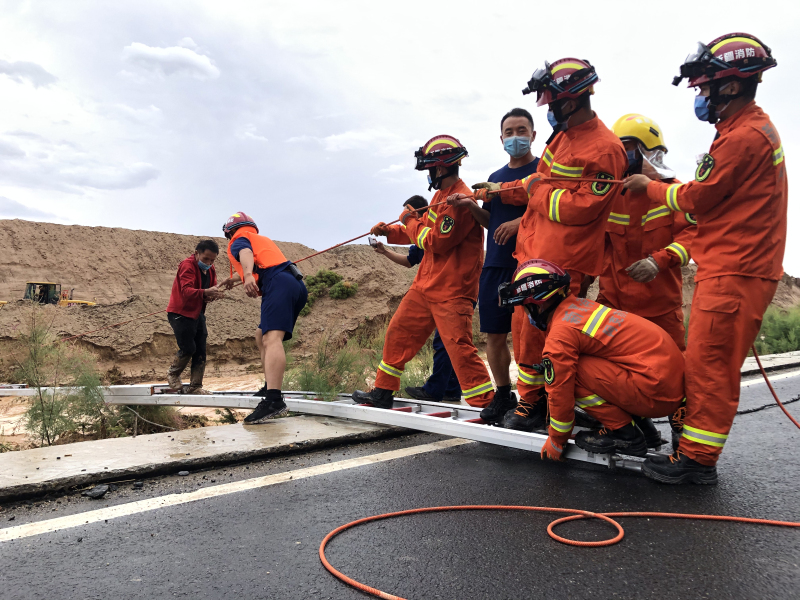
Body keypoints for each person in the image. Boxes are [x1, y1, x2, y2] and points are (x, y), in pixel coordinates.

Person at [625, 33, 786, 485]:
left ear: (730, 87)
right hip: (738, 266)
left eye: (703, 87)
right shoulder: (746, 131)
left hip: (736, 268)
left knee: (710, 368)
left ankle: (695, 463)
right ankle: (694, 455)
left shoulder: (743, 137)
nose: (699, 96)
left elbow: (699, 199)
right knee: (706, 363)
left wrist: (650, 186)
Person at [459, 58, 627, 429]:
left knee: (555, 340)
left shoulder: (604, 148)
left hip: (566, 260)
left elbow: (581, 207)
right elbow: (538, 185)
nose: (548, 110)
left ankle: (567, 408)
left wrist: (535, 190)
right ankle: (534, 402)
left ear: (570, 100)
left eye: (550, 103)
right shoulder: (563, 139)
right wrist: (500, 190)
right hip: (535, 257)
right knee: (525, 335)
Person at [353, 135, 495, 409]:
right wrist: (390, 231)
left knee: (459, 348)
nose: (428, 174)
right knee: (398, 333)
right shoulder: (439, 196)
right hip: (425, 286)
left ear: (439, 169)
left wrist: (407, 219)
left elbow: (436, 241)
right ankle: (383, 391)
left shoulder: (459, 200)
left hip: (452, 290)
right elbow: (420, 232)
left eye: (429, 169)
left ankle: (485, 404)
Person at [498, 259, 686, 461]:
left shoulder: (561, 335)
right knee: (588, 362)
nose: (526, 315)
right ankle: (644, 430)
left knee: (570, 374)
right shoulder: (582, 308)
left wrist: (556, 440)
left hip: (656, 392)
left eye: (525, 308)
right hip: (667, 383)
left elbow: (560, 391)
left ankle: (623, 433)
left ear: (538, 303)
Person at [598, 114, 696, 449]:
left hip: (660, 308)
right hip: (617, 307)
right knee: (616, 372)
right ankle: (637, 432)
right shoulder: (609, 195)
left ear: (643, 150)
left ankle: (685, 439)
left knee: (676, 373)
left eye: (623, 149)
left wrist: (659, 260)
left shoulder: (671, 192)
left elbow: (693, 239)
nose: (617, 157)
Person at [448, 108, 540, 422]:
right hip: (495, 265)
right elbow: (492, 222)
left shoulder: (543, 172)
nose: (516, 137)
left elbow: (555, 212)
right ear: (501, 138)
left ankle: (538, 400)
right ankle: (504, 395)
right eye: (510, 132)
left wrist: (520, 223)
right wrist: (471, 206)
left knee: (532, 337)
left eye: (522, 130)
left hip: (531, 264)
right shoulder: (495, 179)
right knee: (494, 335)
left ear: (533, 134)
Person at [372, 195, 462, 403]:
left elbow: (429, 239)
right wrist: (385, 249)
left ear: (416, 211)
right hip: (439, 289)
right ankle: (451, 389)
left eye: (407, 213)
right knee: (448, 342)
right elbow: (410, 260)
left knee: (447, 342)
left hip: (450, 289)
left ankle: (437, 390)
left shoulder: (431, 229)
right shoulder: (420, 234)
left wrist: (406, 222)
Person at [221, 212, 308, 423]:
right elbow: (262, 265)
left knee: (271, 338)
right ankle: (269, 387)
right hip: (293, 283)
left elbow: (245, 253)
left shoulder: (239, 240)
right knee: (261, 335)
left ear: (229, 231)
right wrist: (236, 279)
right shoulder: (260, 239)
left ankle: (274, 400)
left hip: (277, 284)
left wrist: (248, 274)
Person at [166, 240, 224, 394]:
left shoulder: (210, 269)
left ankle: (196, 386)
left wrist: (213, 295)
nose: (209, 263)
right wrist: (206, 292)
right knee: (188, 347)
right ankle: (173, 373)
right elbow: (186, 291)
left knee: (200, 348)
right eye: (206, 259)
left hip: (197, 313)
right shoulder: (187, 265)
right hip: (180, 313)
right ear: (197, 253)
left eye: (212, 260)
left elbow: (209, 290)